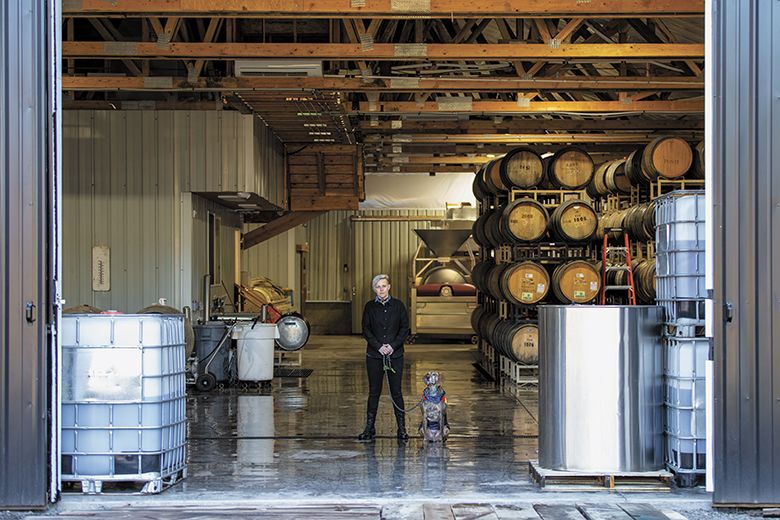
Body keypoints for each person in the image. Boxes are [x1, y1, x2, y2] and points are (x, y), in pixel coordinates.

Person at [358, 274, 410, 441]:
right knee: (374, 392)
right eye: (378, 287)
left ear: (389, 287)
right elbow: (366, 329)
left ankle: (402, 429)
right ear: (374, 289)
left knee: (396, 392)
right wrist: (379, 346)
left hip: (395, 356)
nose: (381, 289)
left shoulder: (399, 306)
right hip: (374, 356)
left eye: (383, 286)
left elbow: (404, 328)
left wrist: (392, 346)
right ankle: (369, 428)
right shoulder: (369, 307)